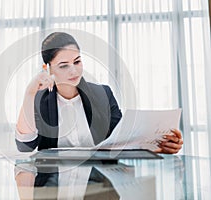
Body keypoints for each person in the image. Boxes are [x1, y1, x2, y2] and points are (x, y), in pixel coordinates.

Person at [15, 32, 183, 154]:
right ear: (47, 68)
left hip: (98, 182)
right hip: (54, 183)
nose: (73, 70)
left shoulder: (103, 93)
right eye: (64, 65)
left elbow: (122, 141)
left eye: (77, 61)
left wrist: (158, 146)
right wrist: (30, 94)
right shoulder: (40, 100)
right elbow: (25, 146)